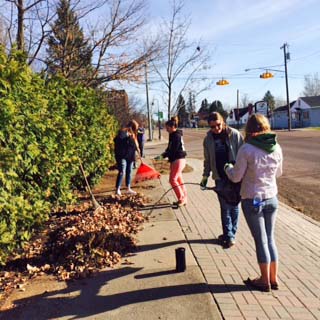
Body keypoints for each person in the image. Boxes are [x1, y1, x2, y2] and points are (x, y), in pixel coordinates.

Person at [224, 113, 283, 292]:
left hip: (252, 198)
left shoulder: (246, 149)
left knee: (261, 241)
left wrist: (228, 168)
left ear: (248, 129)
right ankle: (274, 278)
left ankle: (264, 281)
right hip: (271, 197)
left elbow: (236, 177)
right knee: (270, 238)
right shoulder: (276, 147)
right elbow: (278, 173)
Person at [200, 112, 243, 248]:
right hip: (220, 177)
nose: (216, 129)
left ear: (223, 121)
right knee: (224, 207)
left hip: (235, 176)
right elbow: (207, 160)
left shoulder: (234, 134)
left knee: (234, 205)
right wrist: (205, 176)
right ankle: (228, 234)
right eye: (212, 127)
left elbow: (243, 155)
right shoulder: (208, 139)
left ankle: (231, 234)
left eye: (218, 125)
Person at [155, 116, 187, 206]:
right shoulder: (173, 135)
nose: (166, 129)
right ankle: (184, 198)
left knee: (172, 180)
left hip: (178, 159)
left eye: (167, 128)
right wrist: (162, 156)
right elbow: (169, 148)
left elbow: (172, 150)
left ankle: (181, 199)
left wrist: (163, 156)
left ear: (173, 127)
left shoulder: (176, 136)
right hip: (178, 160)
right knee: (179, 180)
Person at [114, 120, 140, 196]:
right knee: (122, 171)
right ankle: (118, 188)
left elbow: (135, 145)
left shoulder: (134, 134)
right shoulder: (122, 132)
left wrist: (137, 149)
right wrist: (128, 138)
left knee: (129, 172)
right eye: (135, 128)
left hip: (130, 156)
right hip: (122, 155)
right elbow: (118, 141)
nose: (136, 130)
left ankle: (128, 188)